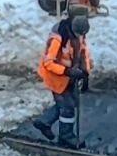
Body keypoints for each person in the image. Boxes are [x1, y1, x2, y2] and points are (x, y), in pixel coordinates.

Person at [33, 14, 92, 148]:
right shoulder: (57, 38)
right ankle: (66, 137)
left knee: (71, 102)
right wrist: (67, 71)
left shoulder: (79, 35)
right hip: (55, 77)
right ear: (72, 29)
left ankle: (44, 122)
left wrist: (85, 73)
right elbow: (48, 63)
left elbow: (84, 53)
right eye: (78, 34)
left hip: (68, 76)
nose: (79, 37)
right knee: (67, 107)